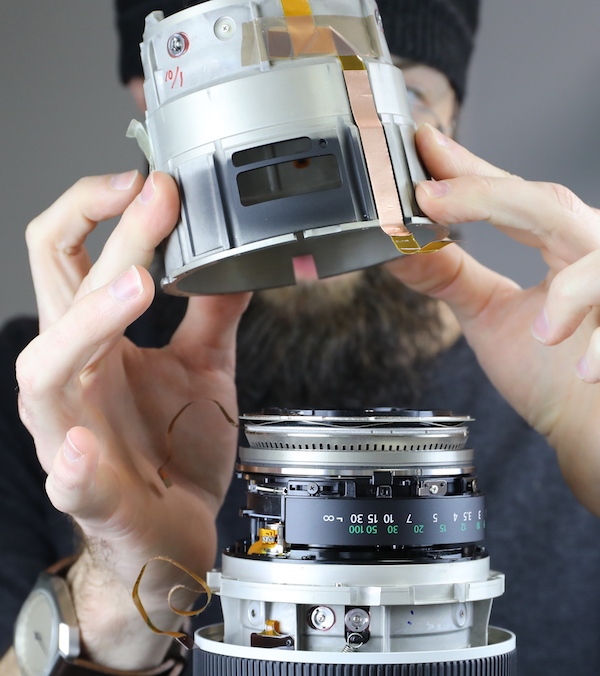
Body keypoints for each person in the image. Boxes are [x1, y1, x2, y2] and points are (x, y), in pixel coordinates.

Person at [2, 0, 600, 675]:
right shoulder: (60, 399)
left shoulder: (582, 364)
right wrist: (123, 584)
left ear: (450, 112)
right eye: (254, 88)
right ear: (154, 105)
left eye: (376, 82)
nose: (311, 165)